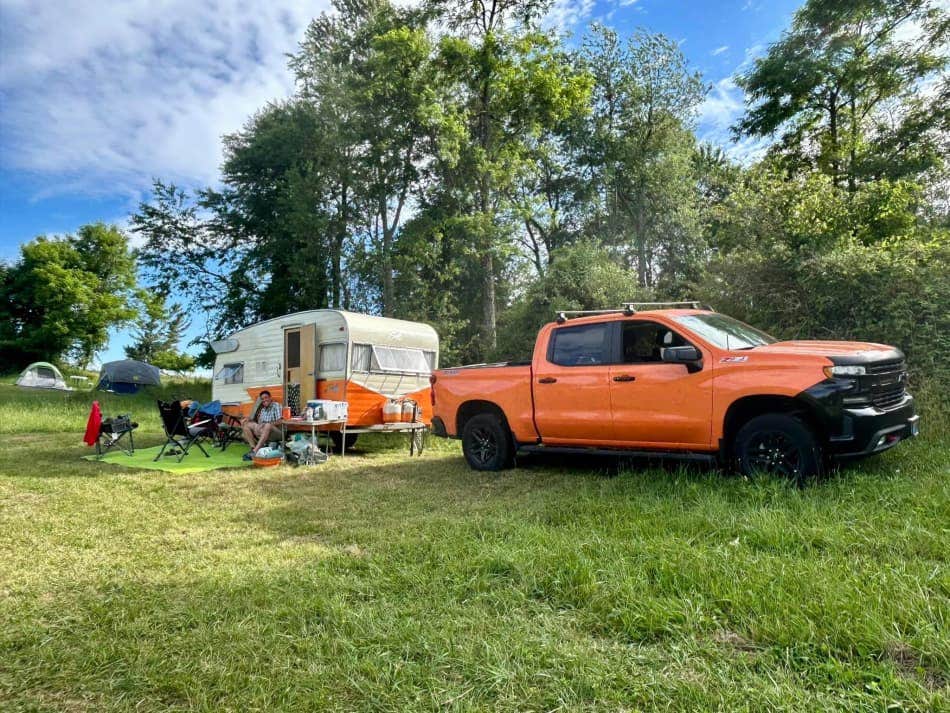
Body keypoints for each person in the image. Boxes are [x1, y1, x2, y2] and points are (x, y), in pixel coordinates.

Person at [241, 390, 282, 460]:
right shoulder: (263, 410)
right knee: (247, 425)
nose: (264, 400)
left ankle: (255, 451)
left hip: (277, 432)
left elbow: (280, 421)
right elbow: (260, 423)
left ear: (270, 398)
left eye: (266, 397)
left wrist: (266, 424)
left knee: (267, 425)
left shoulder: (276, 406)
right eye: (262, 399)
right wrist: (257, 426)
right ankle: (253, 448)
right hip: (265, 431)